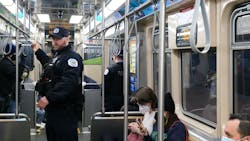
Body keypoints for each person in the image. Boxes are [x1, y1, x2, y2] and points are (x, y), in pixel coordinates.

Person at [31, 27, 83, 141]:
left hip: (65, 113)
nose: (54, 41)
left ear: (67, 39)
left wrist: (48, 98)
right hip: (54, 111)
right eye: (53, 38)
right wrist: (38, 51)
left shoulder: (72, 58)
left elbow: (69, 82)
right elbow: (49, 65)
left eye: (58, 39)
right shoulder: (58, 56)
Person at [0, 43, 16, 113]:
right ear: (11, 54)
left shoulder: (6, 62)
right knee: (9, 118)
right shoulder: (6, 64)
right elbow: (15, 74)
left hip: (7, 95)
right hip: (6, 96)